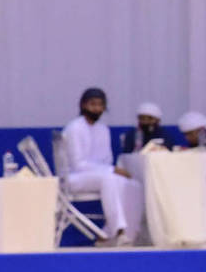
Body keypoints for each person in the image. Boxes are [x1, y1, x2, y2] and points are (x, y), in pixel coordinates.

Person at [60, 87, 145, 245]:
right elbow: (78, 164)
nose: (97, 109)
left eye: (100, 105)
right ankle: (117, 230)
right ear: (83, 105)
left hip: (101, 175)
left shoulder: (103, 129)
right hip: (74, 177)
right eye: (93, 104)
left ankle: (124, 234)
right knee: (110, 178)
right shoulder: (74, 128)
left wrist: (111, 170)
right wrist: (112, 170)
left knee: (134, 185)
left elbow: (106, 161)